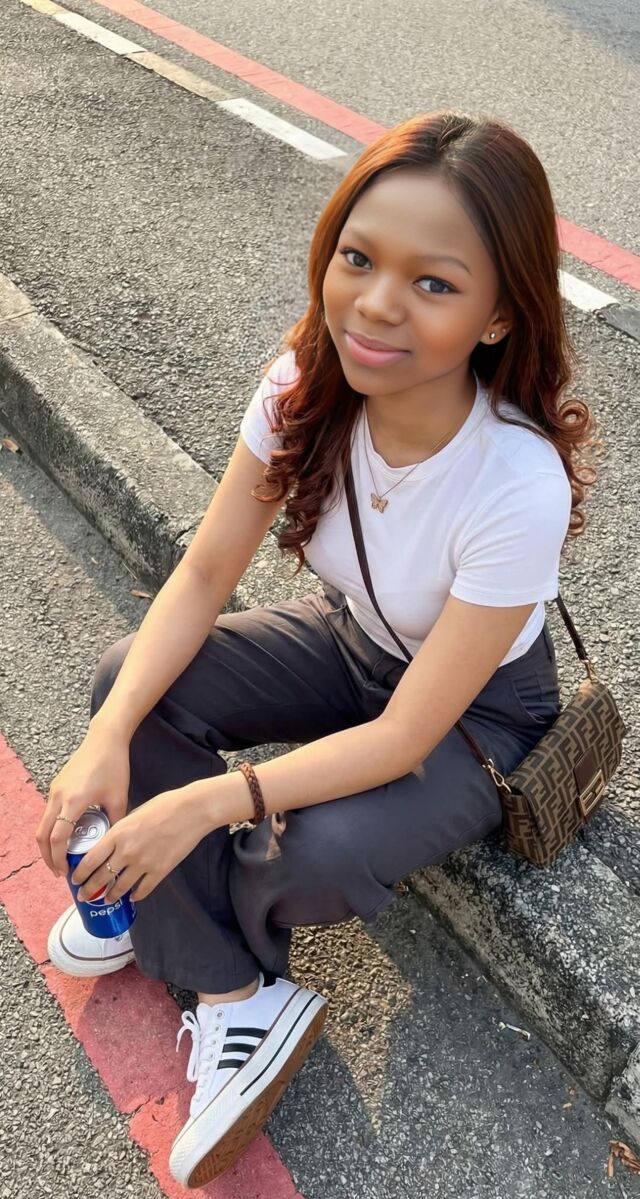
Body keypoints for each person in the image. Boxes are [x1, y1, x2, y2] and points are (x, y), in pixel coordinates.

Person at [36, 108, 597, 1188]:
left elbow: (406, 735)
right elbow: (204, 575)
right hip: (354, 641)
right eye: (358, 257)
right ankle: (234, 987)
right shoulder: (304, 385)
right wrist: (106, 737)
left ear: (497, 314)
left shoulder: (514, 481)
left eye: (433, 283)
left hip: (475, 711)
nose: (376, 304)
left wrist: (200, 804)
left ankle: (185, 929)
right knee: (127, 683)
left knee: (312, 854)